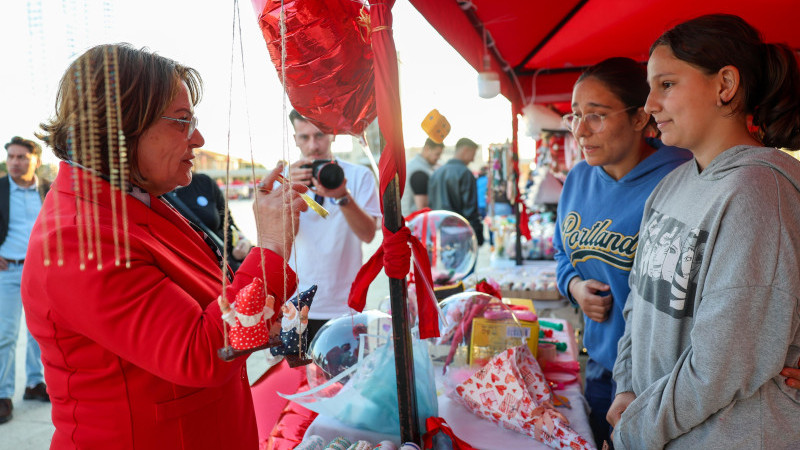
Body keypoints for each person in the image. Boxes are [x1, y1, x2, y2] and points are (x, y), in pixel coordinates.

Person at [23, 43, 308, 449]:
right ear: (123, 126)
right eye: (181, 122)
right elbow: (201, 354)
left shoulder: (129, 200)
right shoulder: (76, 237)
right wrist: (272, 248)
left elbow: (208, 305)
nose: (198, 138)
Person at [608, 14, 800, 448]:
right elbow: (639, 299)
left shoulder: (758, 193)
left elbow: (720, 367)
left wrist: (632, 433)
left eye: (667, 84)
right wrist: (626, 388)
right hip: (654, 429)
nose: (649, 104)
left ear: (725, 85)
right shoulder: (671, 185)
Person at [551, 57, 692, 446]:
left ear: (639, 117)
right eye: (575, 115)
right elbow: (561, 253)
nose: (581, 130)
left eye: (596, 115)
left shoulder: (680, 178)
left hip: (665, 378)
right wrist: (575, 287)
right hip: (601, 364)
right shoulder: (578, 179)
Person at [287, 109, 381, 341]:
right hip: (294, 304)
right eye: (304, 137)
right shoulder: (284, 180)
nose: (313, 145)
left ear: (332, 134)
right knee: (296, 367)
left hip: (345, 304)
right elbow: (281, 240)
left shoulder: (359, 176)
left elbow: (368, 234)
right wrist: (288, 193)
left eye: (319, 135)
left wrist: (342, 196)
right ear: (295, 139)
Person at [0, 136, 51, 424]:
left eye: (21, 157)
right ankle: (2, 395)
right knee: (5, 335)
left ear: (37, 161)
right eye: (11, 157)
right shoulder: (0, 188)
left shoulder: (48, 190)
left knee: (38, 333)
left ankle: (34, 383)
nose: (15, 162)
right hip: (7, 271)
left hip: (40, 272)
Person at [165, 172, 252, 272]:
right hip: (188, 271)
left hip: (224, 266)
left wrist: (243, 242)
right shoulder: (154, 194)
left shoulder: (205, 182)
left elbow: (229, 225)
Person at [429, 137, 484, 245]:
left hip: (439, 232)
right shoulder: (465, 173)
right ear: (465, 150)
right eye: (473, 154)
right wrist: (477, 236)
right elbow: (470, 210)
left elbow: (430, 205)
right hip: (460, 235)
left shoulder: (436, 173)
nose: (473, 159)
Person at [400, 138, 444, 214]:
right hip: (415, 220)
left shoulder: (415, 165)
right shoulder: (419, 172)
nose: (439, 158)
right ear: (427, 149)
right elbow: (423, 208)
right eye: (437, 154)